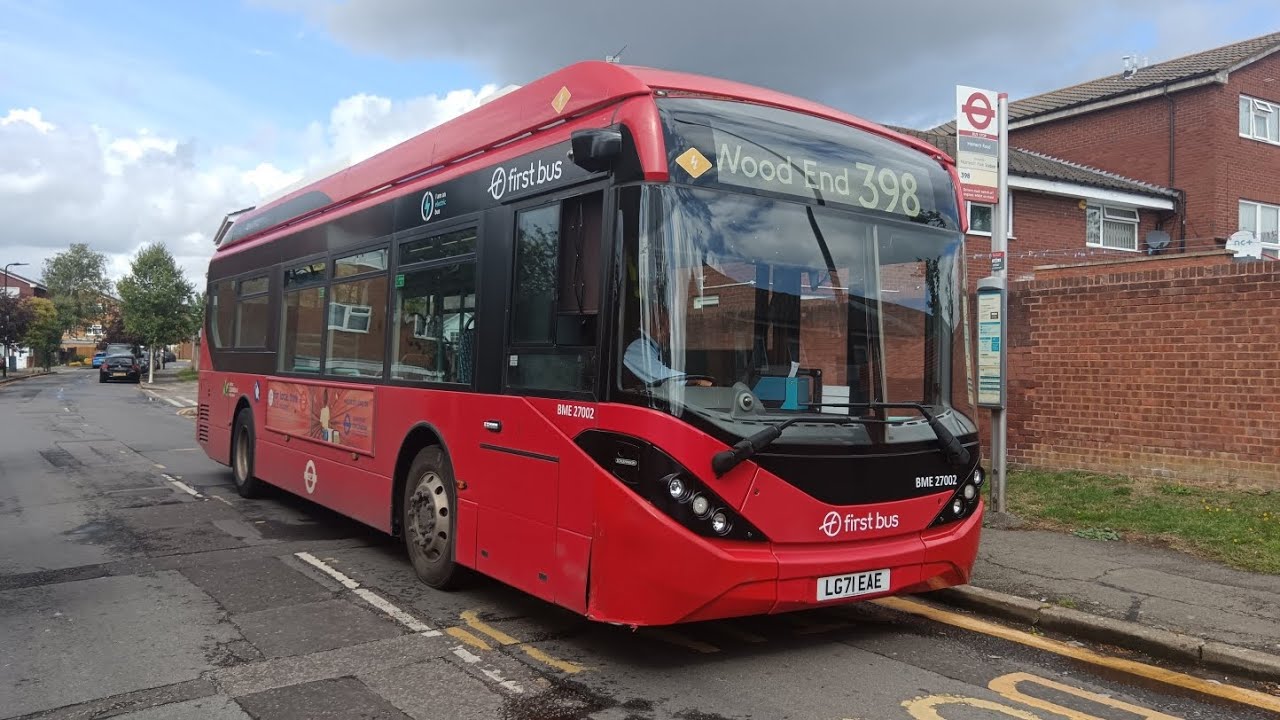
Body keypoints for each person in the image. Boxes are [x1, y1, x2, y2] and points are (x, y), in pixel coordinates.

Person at [623, 301, 712, 387]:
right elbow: (658, 375)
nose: (668, 332)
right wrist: (694, 381)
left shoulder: (650, 345)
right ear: (653, 324)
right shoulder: (637, 346)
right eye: (664, 325)